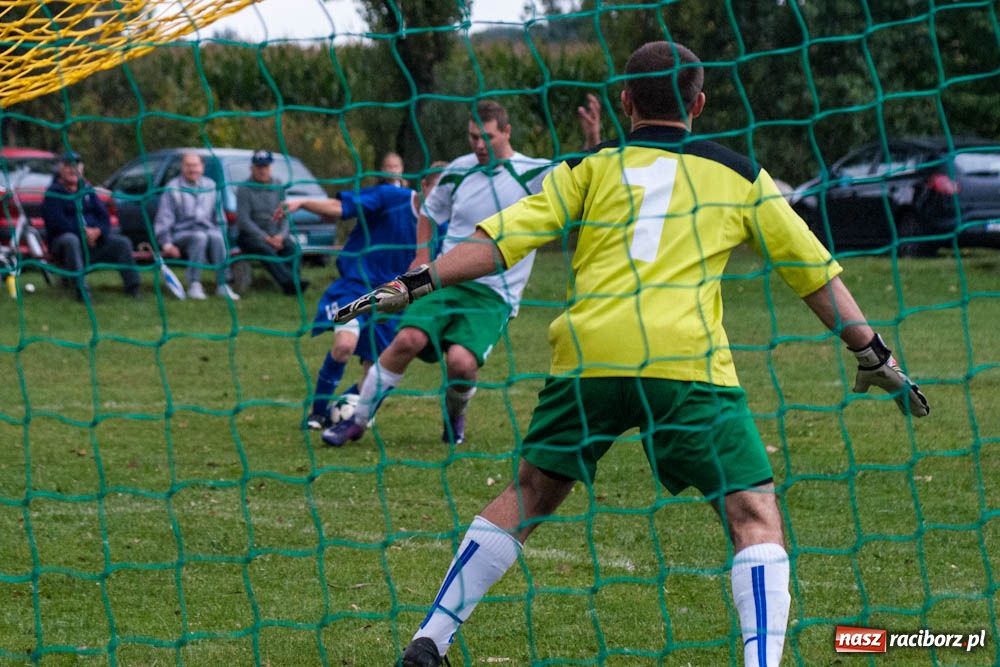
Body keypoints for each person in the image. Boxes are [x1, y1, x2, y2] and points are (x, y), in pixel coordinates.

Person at [331, 42, 930, 667]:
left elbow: (502, 240)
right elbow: (812, 277)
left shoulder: (588, 169)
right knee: (753, 513)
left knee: (531, 491)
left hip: (590, 359)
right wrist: (875, 355)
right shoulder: (740, 175)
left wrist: (415, 282)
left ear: (624, 101)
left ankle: (432, 637)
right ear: (699, 103)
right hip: (685, 363)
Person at [323, 97, 602, 447]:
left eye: (487, 137)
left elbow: (582, 179)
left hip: (493, 293)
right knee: (407, 339)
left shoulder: (534, 172)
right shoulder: (457, 170)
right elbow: (428, 211)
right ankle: (357, 422)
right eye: (473, 137)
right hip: (444, 279)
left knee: (460, 364)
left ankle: (454, 415)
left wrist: (593, 135)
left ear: (507, 132)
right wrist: (422, 254)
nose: (479, 145)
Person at [278, 163, 446, 431]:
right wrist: (304, 202)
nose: (443, 199)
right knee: (344, 346)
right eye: (439, 191)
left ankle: (345, 409)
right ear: (424, 185)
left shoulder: (444, 226)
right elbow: (341, 209)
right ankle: (317, 413)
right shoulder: (391, 198)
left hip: (395, 300)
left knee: (376, 375)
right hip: (356, 286)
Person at [41, 151, 140, 301]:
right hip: (64, 247)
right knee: (70, 240)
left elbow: (104, 217)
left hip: (93, 243)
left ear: (82, 169)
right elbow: (57, 223)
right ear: (61, 170)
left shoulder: (88, 190)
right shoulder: (53, 194)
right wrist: (84, 233)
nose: (73, 170)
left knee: (122, 243)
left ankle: (133, 289)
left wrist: (98, 231)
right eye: (68, 166)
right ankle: (83, 292)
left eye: (76, 166)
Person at [154, 151, 239, 301]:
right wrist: (167, 245)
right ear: (182, 167)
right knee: (199, 237)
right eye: (188, 165)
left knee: (217, 236)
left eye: (195, 165)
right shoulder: (172, 188)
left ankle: (223, 284)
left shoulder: (211, 186)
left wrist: (220, 231)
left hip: (209, 231)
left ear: (202, 167)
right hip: (181, 234)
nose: (192, 169)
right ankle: (194, 284)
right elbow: (163, 220)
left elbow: (220, 218)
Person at [234, 149, 308, 295]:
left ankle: (293, 282)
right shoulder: (243, 189)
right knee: (265, 249)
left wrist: (281, 236)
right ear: (252, 168)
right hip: (251, 237)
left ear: (270, 167)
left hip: (276, 234)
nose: (262, 171)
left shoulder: (278, 186)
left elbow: (285, 215)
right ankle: (289, 283)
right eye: (259, 167)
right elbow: (243, 220)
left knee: (293, 249)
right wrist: (265, 238)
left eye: (265, 167)